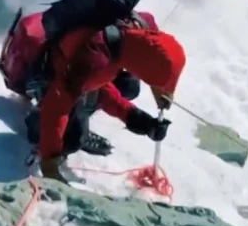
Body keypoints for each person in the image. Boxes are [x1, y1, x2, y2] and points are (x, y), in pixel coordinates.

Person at [34, 12, 185, 181]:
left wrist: (146, 122)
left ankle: (75, 120)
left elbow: (104, 84)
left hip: (86, 59)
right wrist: (49, 164)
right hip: (57, 73)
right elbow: (56, 108)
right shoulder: (95, 63)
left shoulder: (141, 26)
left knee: (130, 86)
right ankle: (37, 124)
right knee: (72, 139)